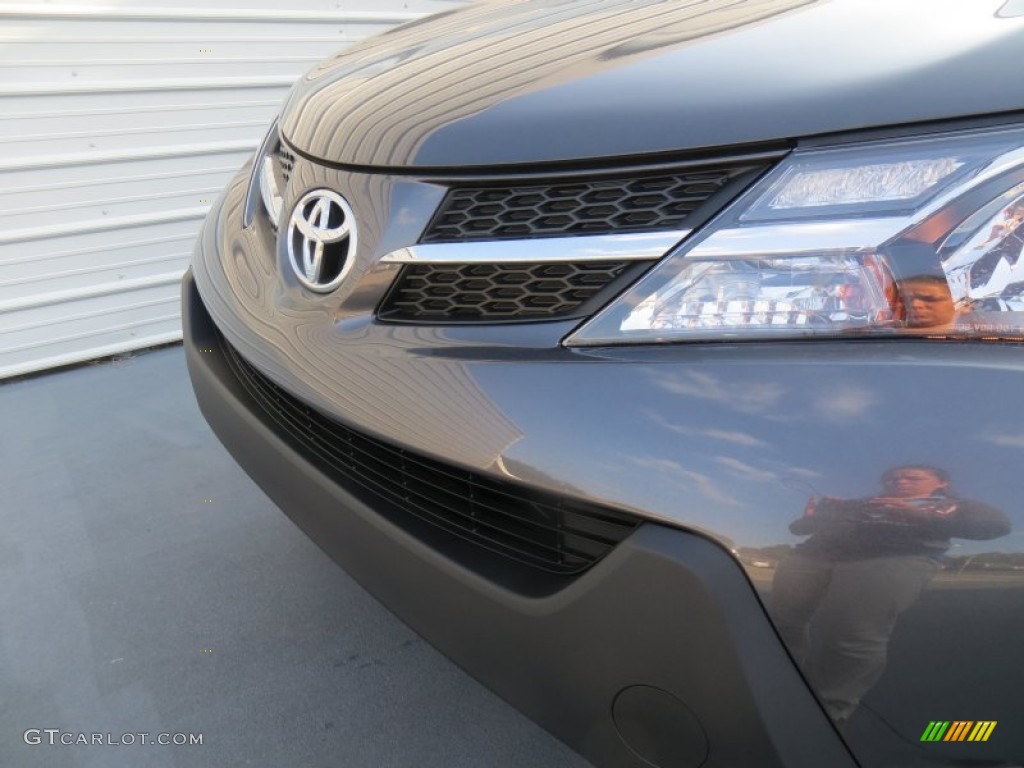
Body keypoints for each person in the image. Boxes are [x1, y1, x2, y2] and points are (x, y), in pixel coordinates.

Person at [768, 466, 1010, 726]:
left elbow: (997, 526)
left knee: (851, 635)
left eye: (912, 477)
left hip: (891, 558)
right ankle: (779, 674)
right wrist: (815, 517)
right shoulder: (862, 503)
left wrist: (920, 515)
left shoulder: (954, 505)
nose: (899, 481)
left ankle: (830, 706)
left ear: (941, 483)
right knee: (783, 620)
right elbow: (801, 529)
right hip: (812, 556)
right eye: (892, 478)